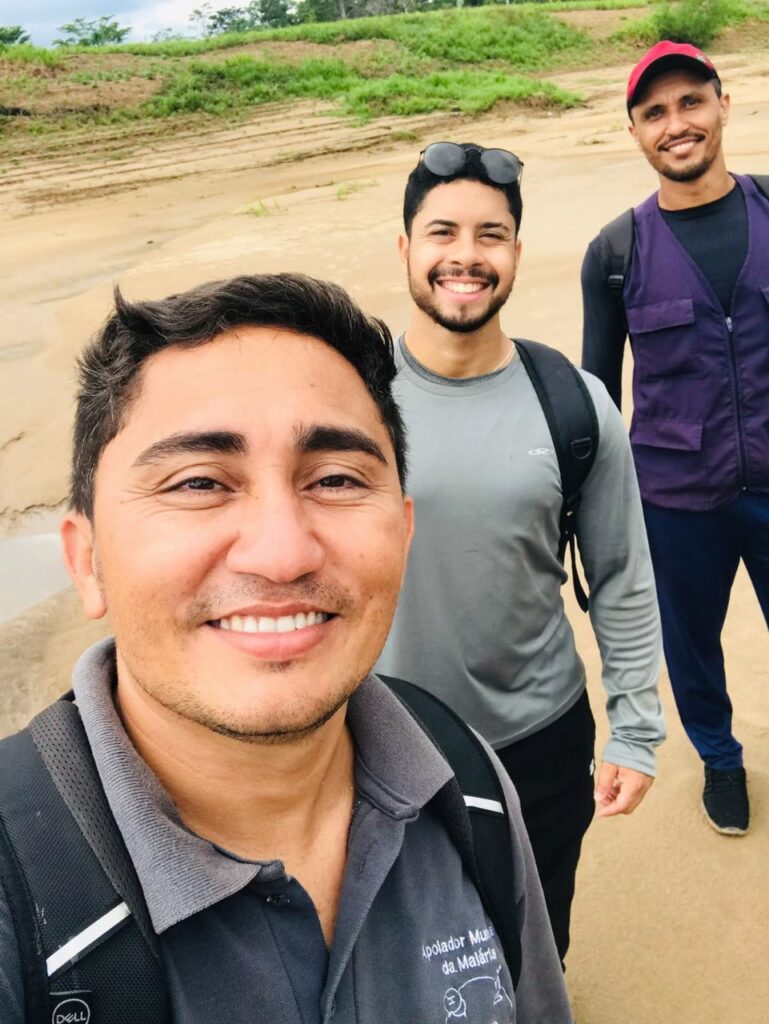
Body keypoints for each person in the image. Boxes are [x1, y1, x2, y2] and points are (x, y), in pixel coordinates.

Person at [0, 274, 574, 1022]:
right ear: (87, 560)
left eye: (335, 479)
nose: (282, 554)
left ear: (403, 534)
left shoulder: (463, 778)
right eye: (198, 483)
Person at [376, 142, 664, 962]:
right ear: (405, 248)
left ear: (515, 253)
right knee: (405, 952)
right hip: (376, 741)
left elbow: (620, 575)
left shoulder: (574, 404)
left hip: (537, 739)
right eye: (442, 233)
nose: (465, 256)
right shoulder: (349, 400)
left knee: (535, 939)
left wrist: (634, 730)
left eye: (490, 235)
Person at [581, 41, 769, 837]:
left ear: (722, 104)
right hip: (674, 497)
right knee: (690, 647)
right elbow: (594, 395)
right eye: (653, 112)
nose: (675, 123)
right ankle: (719, 761)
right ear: (634, 131)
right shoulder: (614, 253)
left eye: (690, 101)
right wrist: (589, 516)